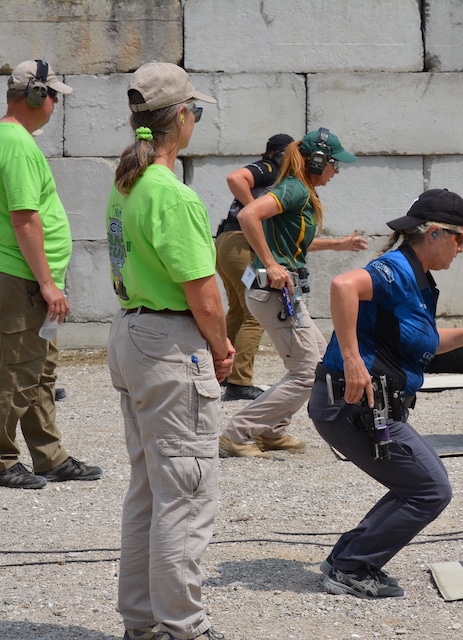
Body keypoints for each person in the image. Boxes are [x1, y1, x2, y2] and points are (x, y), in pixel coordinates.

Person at [309, 188, 463, 599]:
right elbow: (343, 285)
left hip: (373, 409)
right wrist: (352, 357)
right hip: (351, 405)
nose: (462, 248)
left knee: (423, 484)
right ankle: (349, 567)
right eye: (459, 238)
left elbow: (427, 342)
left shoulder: (419, 281)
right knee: (430, 489)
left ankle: (347, 558)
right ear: (433, 233)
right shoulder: (395, 269)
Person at [105, 61, 234, 640]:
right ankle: (184, 627)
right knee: (184, 488)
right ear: (180, 117)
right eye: (196, 112)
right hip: (169, 341)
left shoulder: (125, 186)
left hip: (132, 331)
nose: (197, 120)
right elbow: (203, 294)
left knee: (149, 488)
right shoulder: (170, 193)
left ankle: (142, 619)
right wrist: (223, 346)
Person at [218, 128, 367, 459]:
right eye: (334, 164)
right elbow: (247, 214)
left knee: (320, 360)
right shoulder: (295, 189)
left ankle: (271, 430)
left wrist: (340, 244)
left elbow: (296, 242)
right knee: (307, 371)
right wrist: (270, 263)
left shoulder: (301, 192)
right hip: (273, 293)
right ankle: (237, 433)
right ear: (317, 161)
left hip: (284, 294)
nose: (336, 171)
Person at [0, 59, 103, 490]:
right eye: (54, 94)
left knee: (42, 368)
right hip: (24, 278)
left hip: (33, 278)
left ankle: (49, 456)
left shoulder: (15, 139)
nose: (57, 103)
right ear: (38, 95)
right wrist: (45, 283)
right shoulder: (16, 144)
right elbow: (25, 218)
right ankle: (3, 460)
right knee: (17, 370)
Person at [215, 133, 294, 402]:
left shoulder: (277, 176)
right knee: (254, 313)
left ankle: (220, 372)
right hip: (240, 243)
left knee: (237, 311)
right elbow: (235, 178)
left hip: (228, 243)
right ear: (280, 154)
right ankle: (238, 382)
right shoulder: (270, 168)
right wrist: (254, 211)